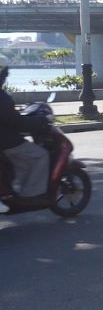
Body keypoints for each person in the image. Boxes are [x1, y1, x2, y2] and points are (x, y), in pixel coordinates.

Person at [0, 56, 51, 210]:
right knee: (40, 155)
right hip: (5, 142)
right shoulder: (2, 98)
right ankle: (30, 195)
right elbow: (17, 123)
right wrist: (42, 121)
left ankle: (15, 185)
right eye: (5, 74)